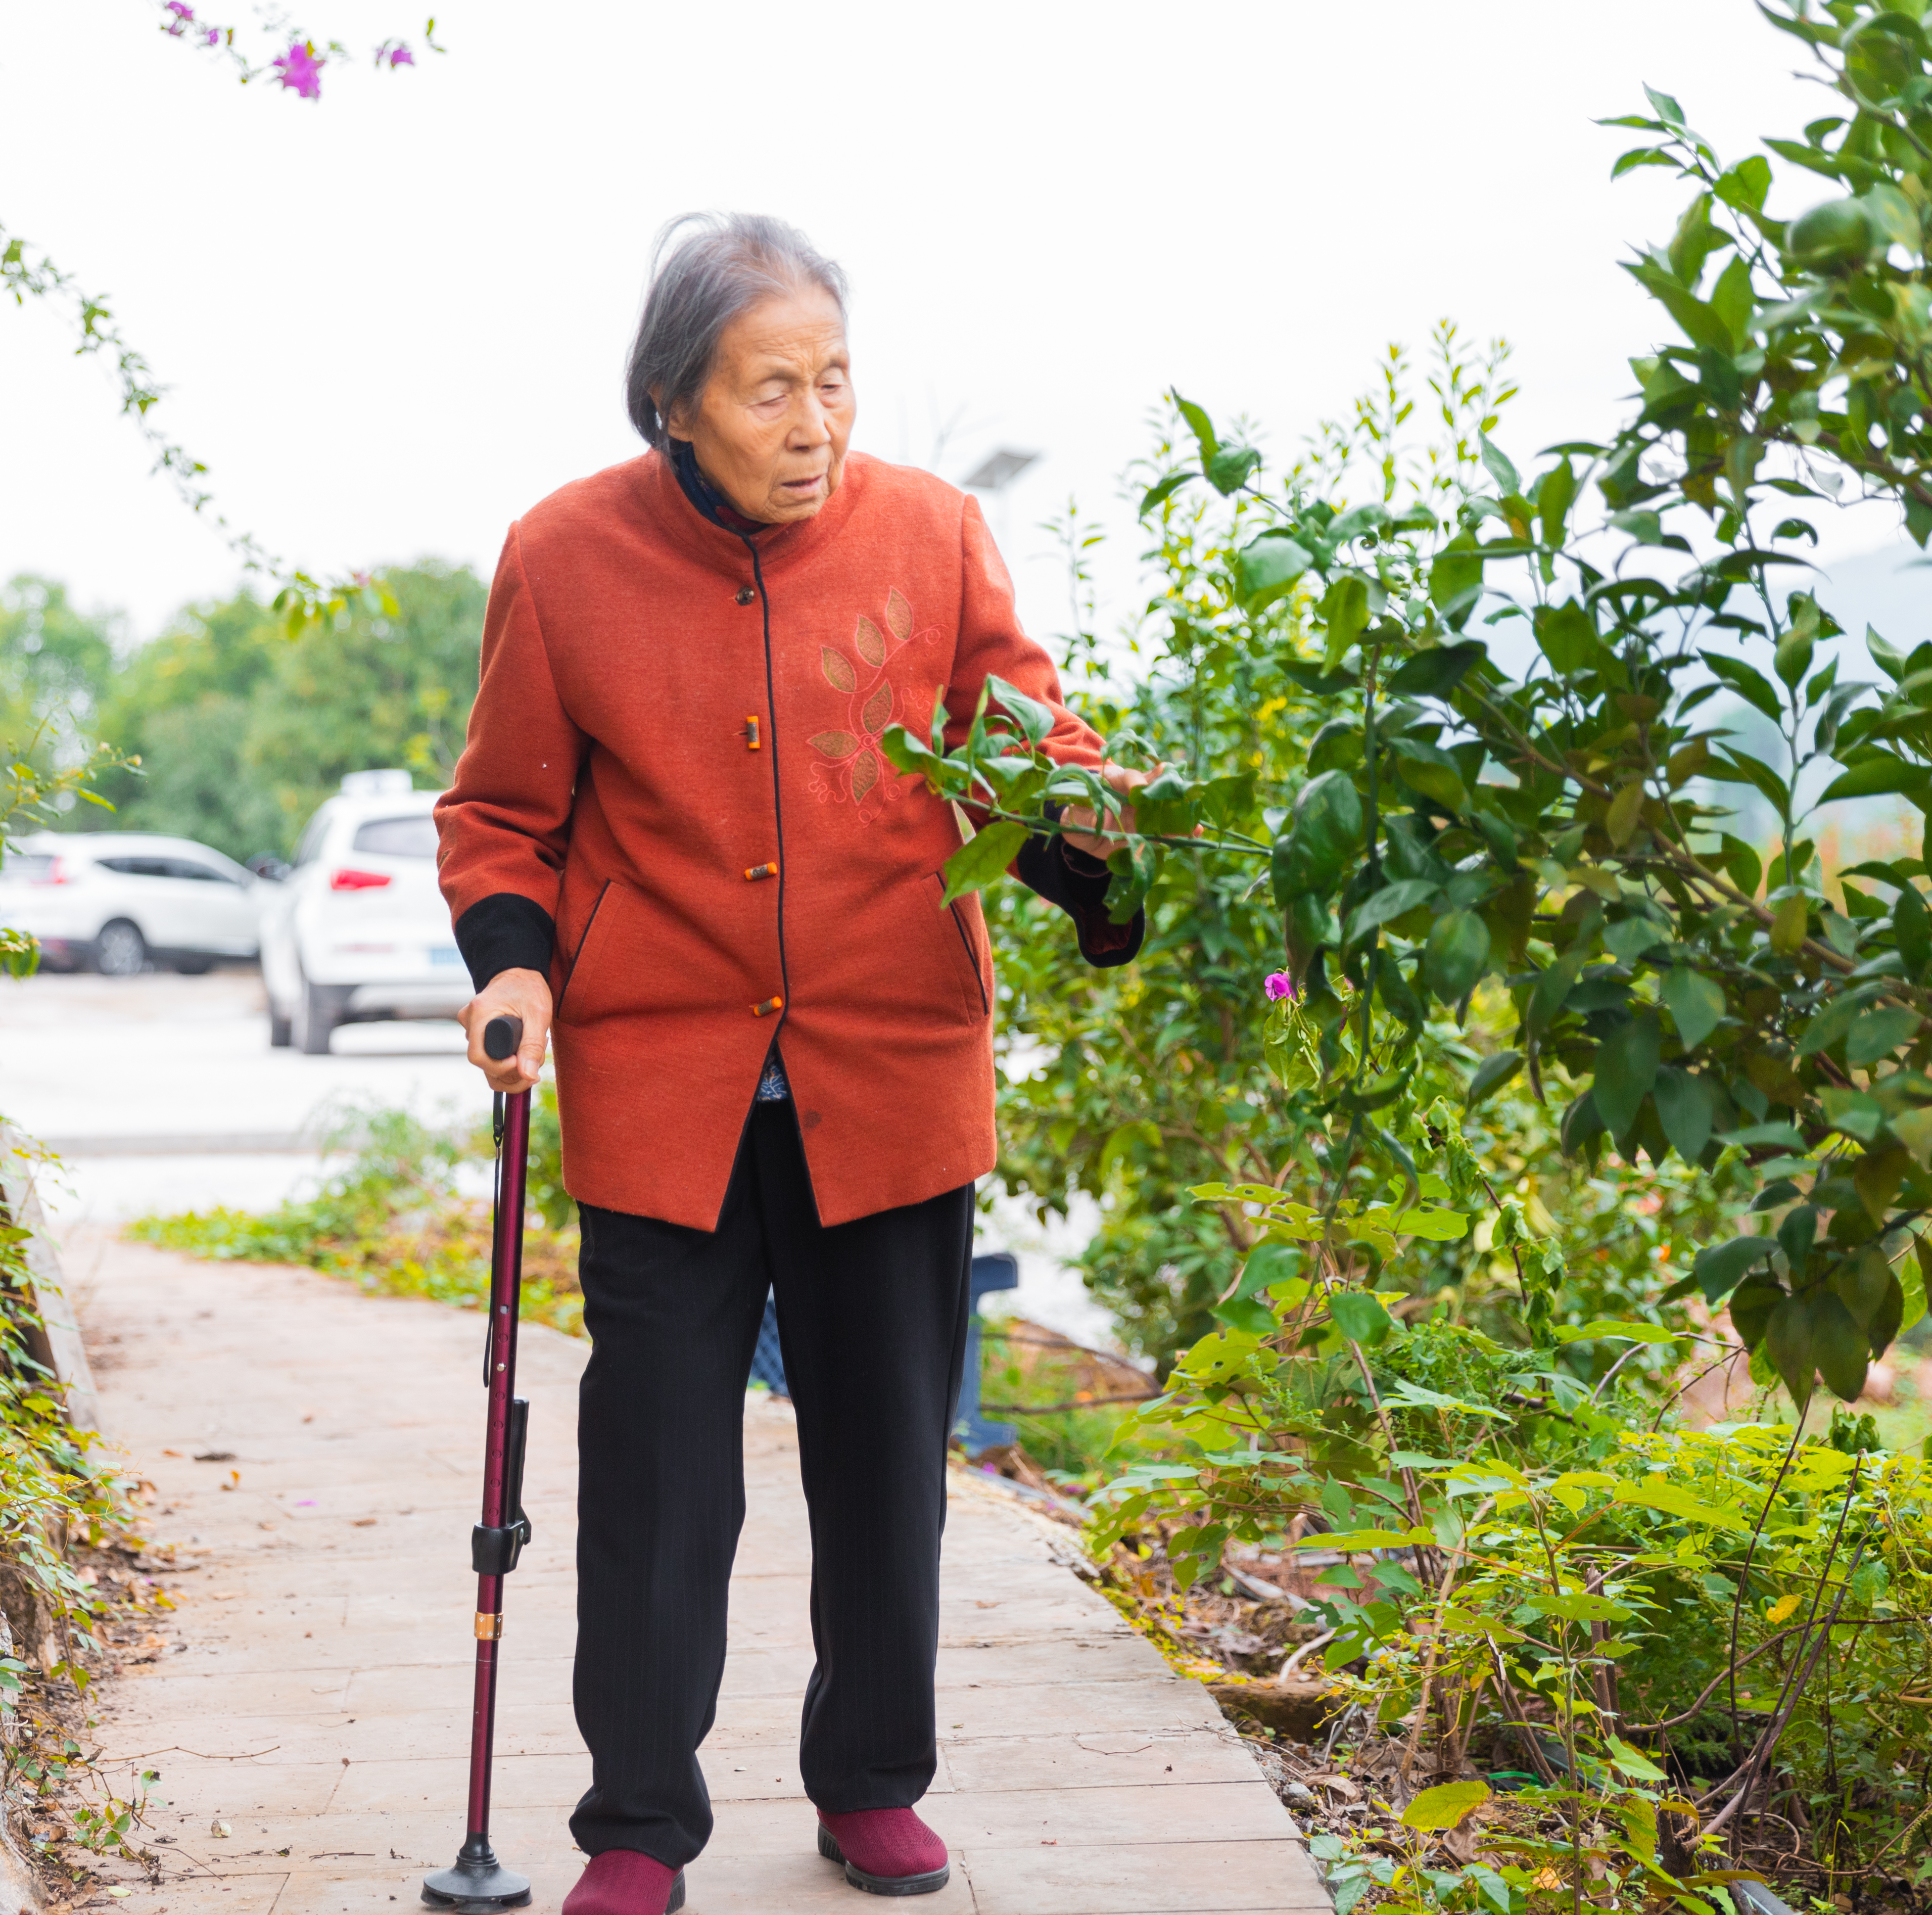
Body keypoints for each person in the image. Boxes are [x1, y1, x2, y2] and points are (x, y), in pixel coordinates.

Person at [433, 211, 1142, 1915]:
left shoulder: (932, 536)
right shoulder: (563, 557)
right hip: (665, 1082)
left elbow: (1026, 754)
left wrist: (1095, 861)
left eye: (834, 382)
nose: (817, 423)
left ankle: (870, 1780)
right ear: (673, 401)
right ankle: (637, 1822)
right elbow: (503, 812)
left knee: (887, 1458)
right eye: (773, 390)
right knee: (657, 1474)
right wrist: (511, 966)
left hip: (886, 1074)